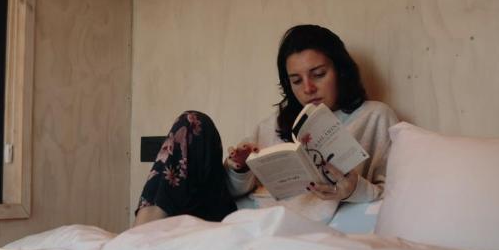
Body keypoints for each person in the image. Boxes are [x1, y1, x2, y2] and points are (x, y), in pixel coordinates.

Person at [134, 24, 398, 227]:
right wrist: (239, 168)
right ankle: (140, 234)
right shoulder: (272, 124)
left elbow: (390, 194)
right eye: (296, 81)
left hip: (281, 225)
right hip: (234, 215)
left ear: (340, 70)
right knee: (192, 122)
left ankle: (143, 239)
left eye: (318, 74)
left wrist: (352, 189)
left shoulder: (374, 116)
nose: (308, 88)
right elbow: (234, 190)